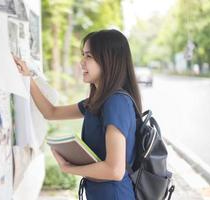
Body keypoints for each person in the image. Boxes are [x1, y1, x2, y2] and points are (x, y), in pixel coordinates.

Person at [13, 29, 142, 200]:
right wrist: (27, 77)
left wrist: (69, 168)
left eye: (89, 56)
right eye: (83, 55)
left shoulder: (116, 102)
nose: (81, 62)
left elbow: (115, 170)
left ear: (108, 60)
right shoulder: (98, 100)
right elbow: (51, 112)